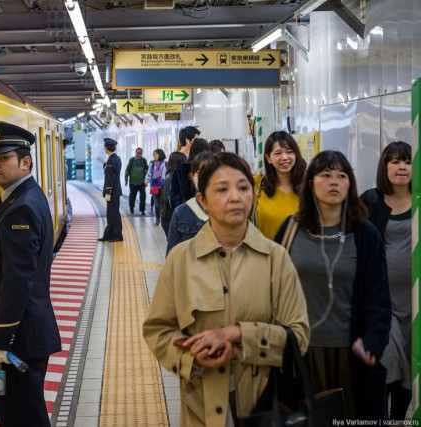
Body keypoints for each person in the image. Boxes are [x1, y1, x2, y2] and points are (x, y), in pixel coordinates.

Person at [144, 152, 310, 427]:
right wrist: (192, 359)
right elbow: (157, 330)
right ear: (202, 201)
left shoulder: (276, 258)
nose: (235, 197)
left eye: (243, 188)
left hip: (262, 407)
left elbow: (300, 335)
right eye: (222, 189)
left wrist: (239, 337)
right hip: (201, 409)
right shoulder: (181, 260)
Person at [275, 150, 391, 420]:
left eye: (341, 175)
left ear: (350, 184)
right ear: (311, 182)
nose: (334, 182)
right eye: (325, 175)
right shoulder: (291, 230)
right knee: (302, 419)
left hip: (349, 355)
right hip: (300, 353)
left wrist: (373, 342)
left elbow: (379, 298)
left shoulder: (365, 235)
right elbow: (272, 288)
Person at [0, 122, 61, 427]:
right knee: (13, 413)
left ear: (26, 162)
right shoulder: (18, 197)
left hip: (14, 342)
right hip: (15, 339)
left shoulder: (20, 207)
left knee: (21, 417)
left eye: (4, 158)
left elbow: (17, 280)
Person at [360, 141, 412, 420]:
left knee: (408, 369)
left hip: (414, 305)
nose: (401, 166)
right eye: (394, 161)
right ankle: (380, 417)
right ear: (384, 166)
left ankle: (397, 420)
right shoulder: (370, 200)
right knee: (388, 364)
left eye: (407, 161)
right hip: (384, 304)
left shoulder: (419, 201)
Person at [253, 131, 307, 240]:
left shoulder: (308, 186)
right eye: (278, 153)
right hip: (265, 254)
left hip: (296, 255)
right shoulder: (257, 183)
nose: (285, 157)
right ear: (268, 158)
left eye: (289, 152)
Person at [165, 151, 216, 255]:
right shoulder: (181, 212)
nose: (206, 177)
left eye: (211, 172)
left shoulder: (228, 209)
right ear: (192, 177)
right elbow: (172, 256)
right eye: (201, 172)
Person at [168, 138, 210, 213]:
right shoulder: (212, 168)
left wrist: (181, 210)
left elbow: (173, 195)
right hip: (207, 213)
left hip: (186, 214)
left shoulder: (182, 168)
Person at [99, 138, 123, 242]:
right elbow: (111, 171)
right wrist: (105, 165)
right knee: (110, 213)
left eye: (105, 147)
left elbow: (110, 178)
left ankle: (117, 235)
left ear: (107, 148)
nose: (104, 148)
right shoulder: (115, 158)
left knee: (114, 214)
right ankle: (109, 234)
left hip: (112, 192)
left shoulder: (111, 160)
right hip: (115, 191)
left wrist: (108, 192)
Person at [160, 151, 187, 237]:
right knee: (175, 246)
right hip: (169, 217)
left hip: (172, 216)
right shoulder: (171, 178)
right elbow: (168, 199)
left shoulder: (176, 176)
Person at [145, 149, 167, 225]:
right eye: (153, 154)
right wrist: (147, 181)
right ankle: (157, 219)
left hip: (163, 186)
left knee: (163, 203)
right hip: (154, 185)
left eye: (155, 154)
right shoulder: (152, 163)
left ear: (160, 154)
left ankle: (163, 218)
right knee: (157, 203)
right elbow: (149, 173)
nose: (154, 156)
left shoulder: (165, 163)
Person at [124, 147, 148, 215]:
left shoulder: (144, 160)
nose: (139, 154)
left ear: (142, 153)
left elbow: (147, 169)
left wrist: (146, 172)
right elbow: (127, 170)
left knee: (143, 197)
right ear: (135, 153)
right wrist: (126, 179)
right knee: (132, 197)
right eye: (138, 153)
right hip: (133, 183)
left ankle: (142, 210)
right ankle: (131, 207)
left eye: (140, 153)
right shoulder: (131, 160)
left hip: (141, 182)